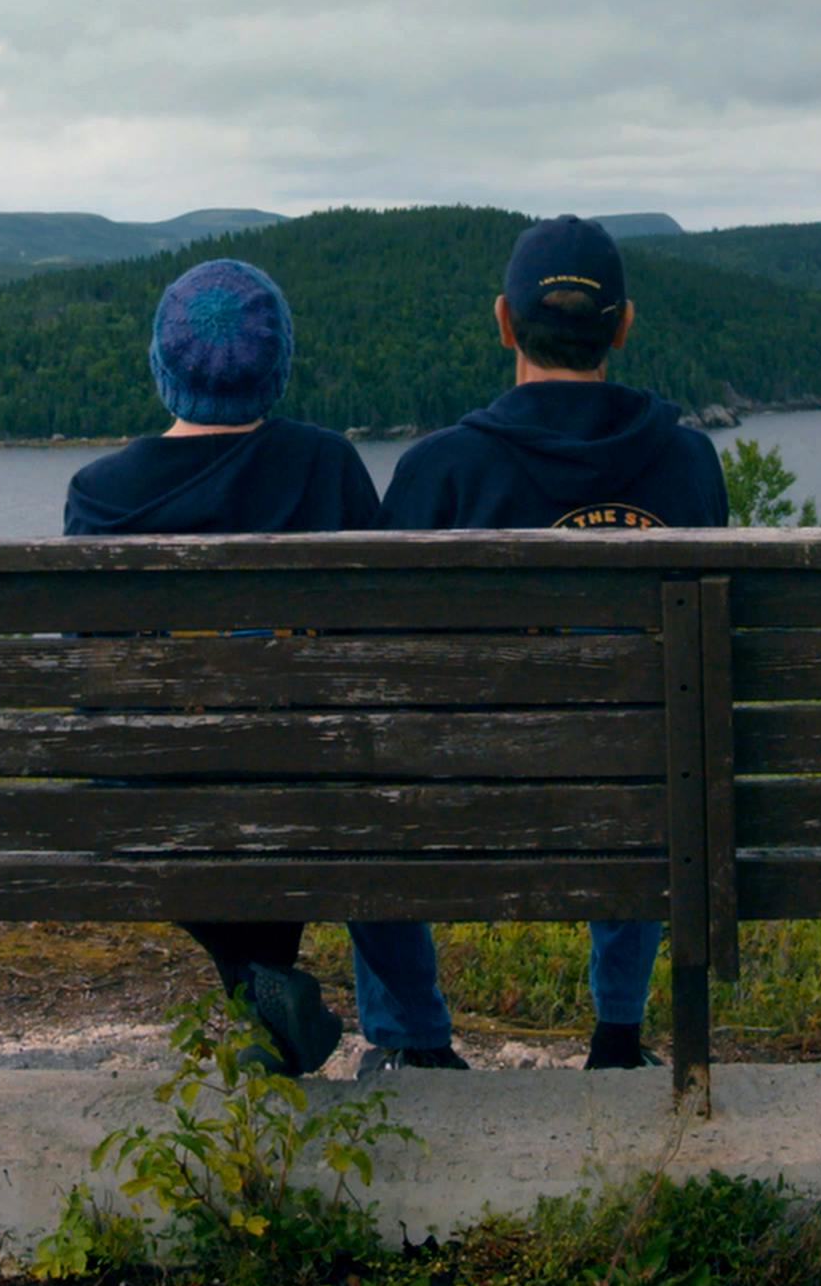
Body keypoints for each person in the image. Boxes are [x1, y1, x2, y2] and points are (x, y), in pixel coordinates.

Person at [61, 258, 465, 1076]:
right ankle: (412, 1038)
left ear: (160, 364)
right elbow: (377, 649)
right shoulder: (326, 464)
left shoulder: (100, 494)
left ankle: (257, 985)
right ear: (278, 366)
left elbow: (94, 685)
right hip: (314, 783)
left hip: (164, 801)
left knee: (166, 777)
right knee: (345, 769)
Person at [382, 215, 728, 1069]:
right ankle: (619, 1036)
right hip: (647, 804)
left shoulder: (437, 471)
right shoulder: (689, 465)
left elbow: (379, 669)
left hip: (462, 802)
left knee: (379, 770)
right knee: (650, 735)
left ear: (504, 322)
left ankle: (417, 1043)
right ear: (623, 326)